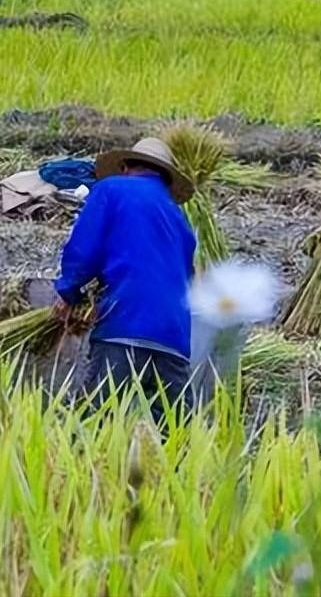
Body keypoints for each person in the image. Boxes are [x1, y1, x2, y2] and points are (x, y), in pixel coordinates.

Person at [53, 137, 198, 425]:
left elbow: (84, 250)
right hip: (174, 336)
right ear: (165, 179)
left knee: (92, 425)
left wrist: (69, 292)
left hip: (125, 324)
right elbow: (188, 277)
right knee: (174, 434)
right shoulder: (178, 218)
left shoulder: (111, 189)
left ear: (125, 166)